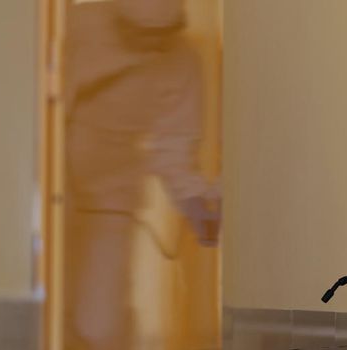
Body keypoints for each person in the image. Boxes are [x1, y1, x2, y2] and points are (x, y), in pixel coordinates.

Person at [62, 0, 220, 348]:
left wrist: (195, 206)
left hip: (112, 197)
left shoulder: (182, 61)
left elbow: (176, 146)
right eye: (137, 35)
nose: (148, 45)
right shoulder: (79, 26)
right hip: (55, 189)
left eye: (158, 37)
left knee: (99, 323)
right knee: (55, 310)